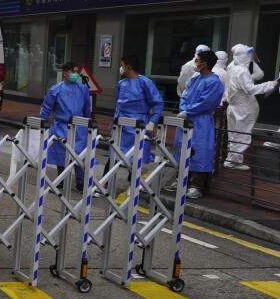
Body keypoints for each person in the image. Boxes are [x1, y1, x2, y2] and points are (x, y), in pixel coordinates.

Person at [175, 50, 225, 198]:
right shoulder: (194, 79)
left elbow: (206, 102)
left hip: (201, 121)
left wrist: (188, 111)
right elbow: (184, 95)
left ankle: (197, 186)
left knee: (200, 152)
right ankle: (181, 180)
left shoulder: (214, 82)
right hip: (187, 119)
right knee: (183, 149)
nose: (195, 63)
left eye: (197, 60)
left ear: (205, 63)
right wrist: (184, 109)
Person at [40, 62, 93, 193]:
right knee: (61, 155)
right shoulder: (55, 89)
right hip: (61, 126)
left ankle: (81, 183)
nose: (76, 74)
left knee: (80, 154)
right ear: (64, 73)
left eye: (77, 71)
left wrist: (89, 122)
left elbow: (87, 107)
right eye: (73, 71)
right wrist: (42, 122)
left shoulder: (83, 89)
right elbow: (46, 108)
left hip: (80, 127)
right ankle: (61, 181)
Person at [223, 43, 278, 170]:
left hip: (233, 107)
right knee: (242, 135)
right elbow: (250, 89)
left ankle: (232, 159)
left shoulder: (231, 67)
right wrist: (271, 84)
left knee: (234, 134)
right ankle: (233, 161)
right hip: (243, 108)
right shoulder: (241, 71)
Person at [112, 55, 164, 165]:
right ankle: (106, 181)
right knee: (114, 156)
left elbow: (157, 103)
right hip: (121, 125)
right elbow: (118, 103)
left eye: (122, 65)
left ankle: (133, 181)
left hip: (138, 125)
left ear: (128, 67)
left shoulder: (145, 82)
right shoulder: (121, 83)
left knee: (136, 159)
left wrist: (152, 121)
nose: (120, 68)